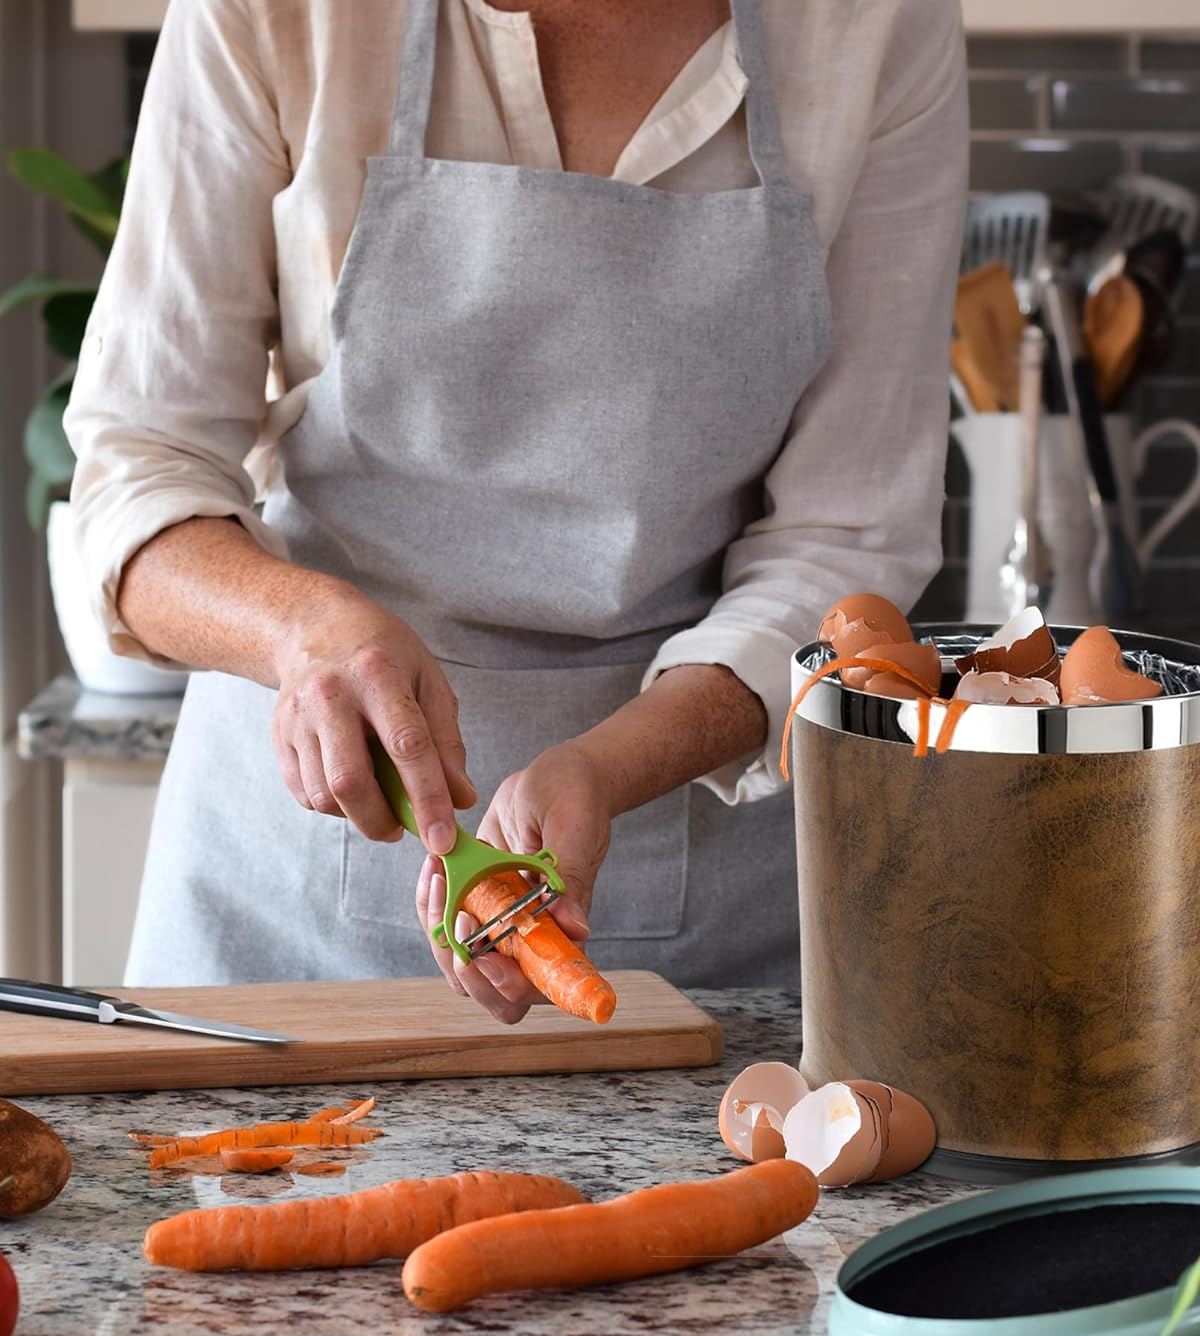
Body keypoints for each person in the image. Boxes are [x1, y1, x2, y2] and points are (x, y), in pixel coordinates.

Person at [64, 0, 967, 1020]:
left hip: (710, 916)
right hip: (282, 919)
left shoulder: (872, 25)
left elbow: (849, 539)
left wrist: (611, 764)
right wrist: (301, 630)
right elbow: (140, 467)